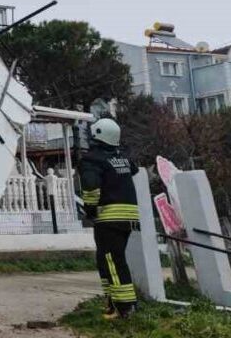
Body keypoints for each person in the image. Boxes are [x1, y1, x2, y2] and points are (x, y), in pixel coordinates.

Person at [81, 118, 140, 319]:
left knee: (112, 260)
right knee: (105, 259)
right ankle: (111, 303)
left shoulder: (91, 160)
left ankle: (125, 307)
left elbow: (90, 186)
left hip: (109, 216)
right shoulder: (122, 158)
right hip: (128, 217)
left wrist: (89, 209)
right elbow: (134, 168)